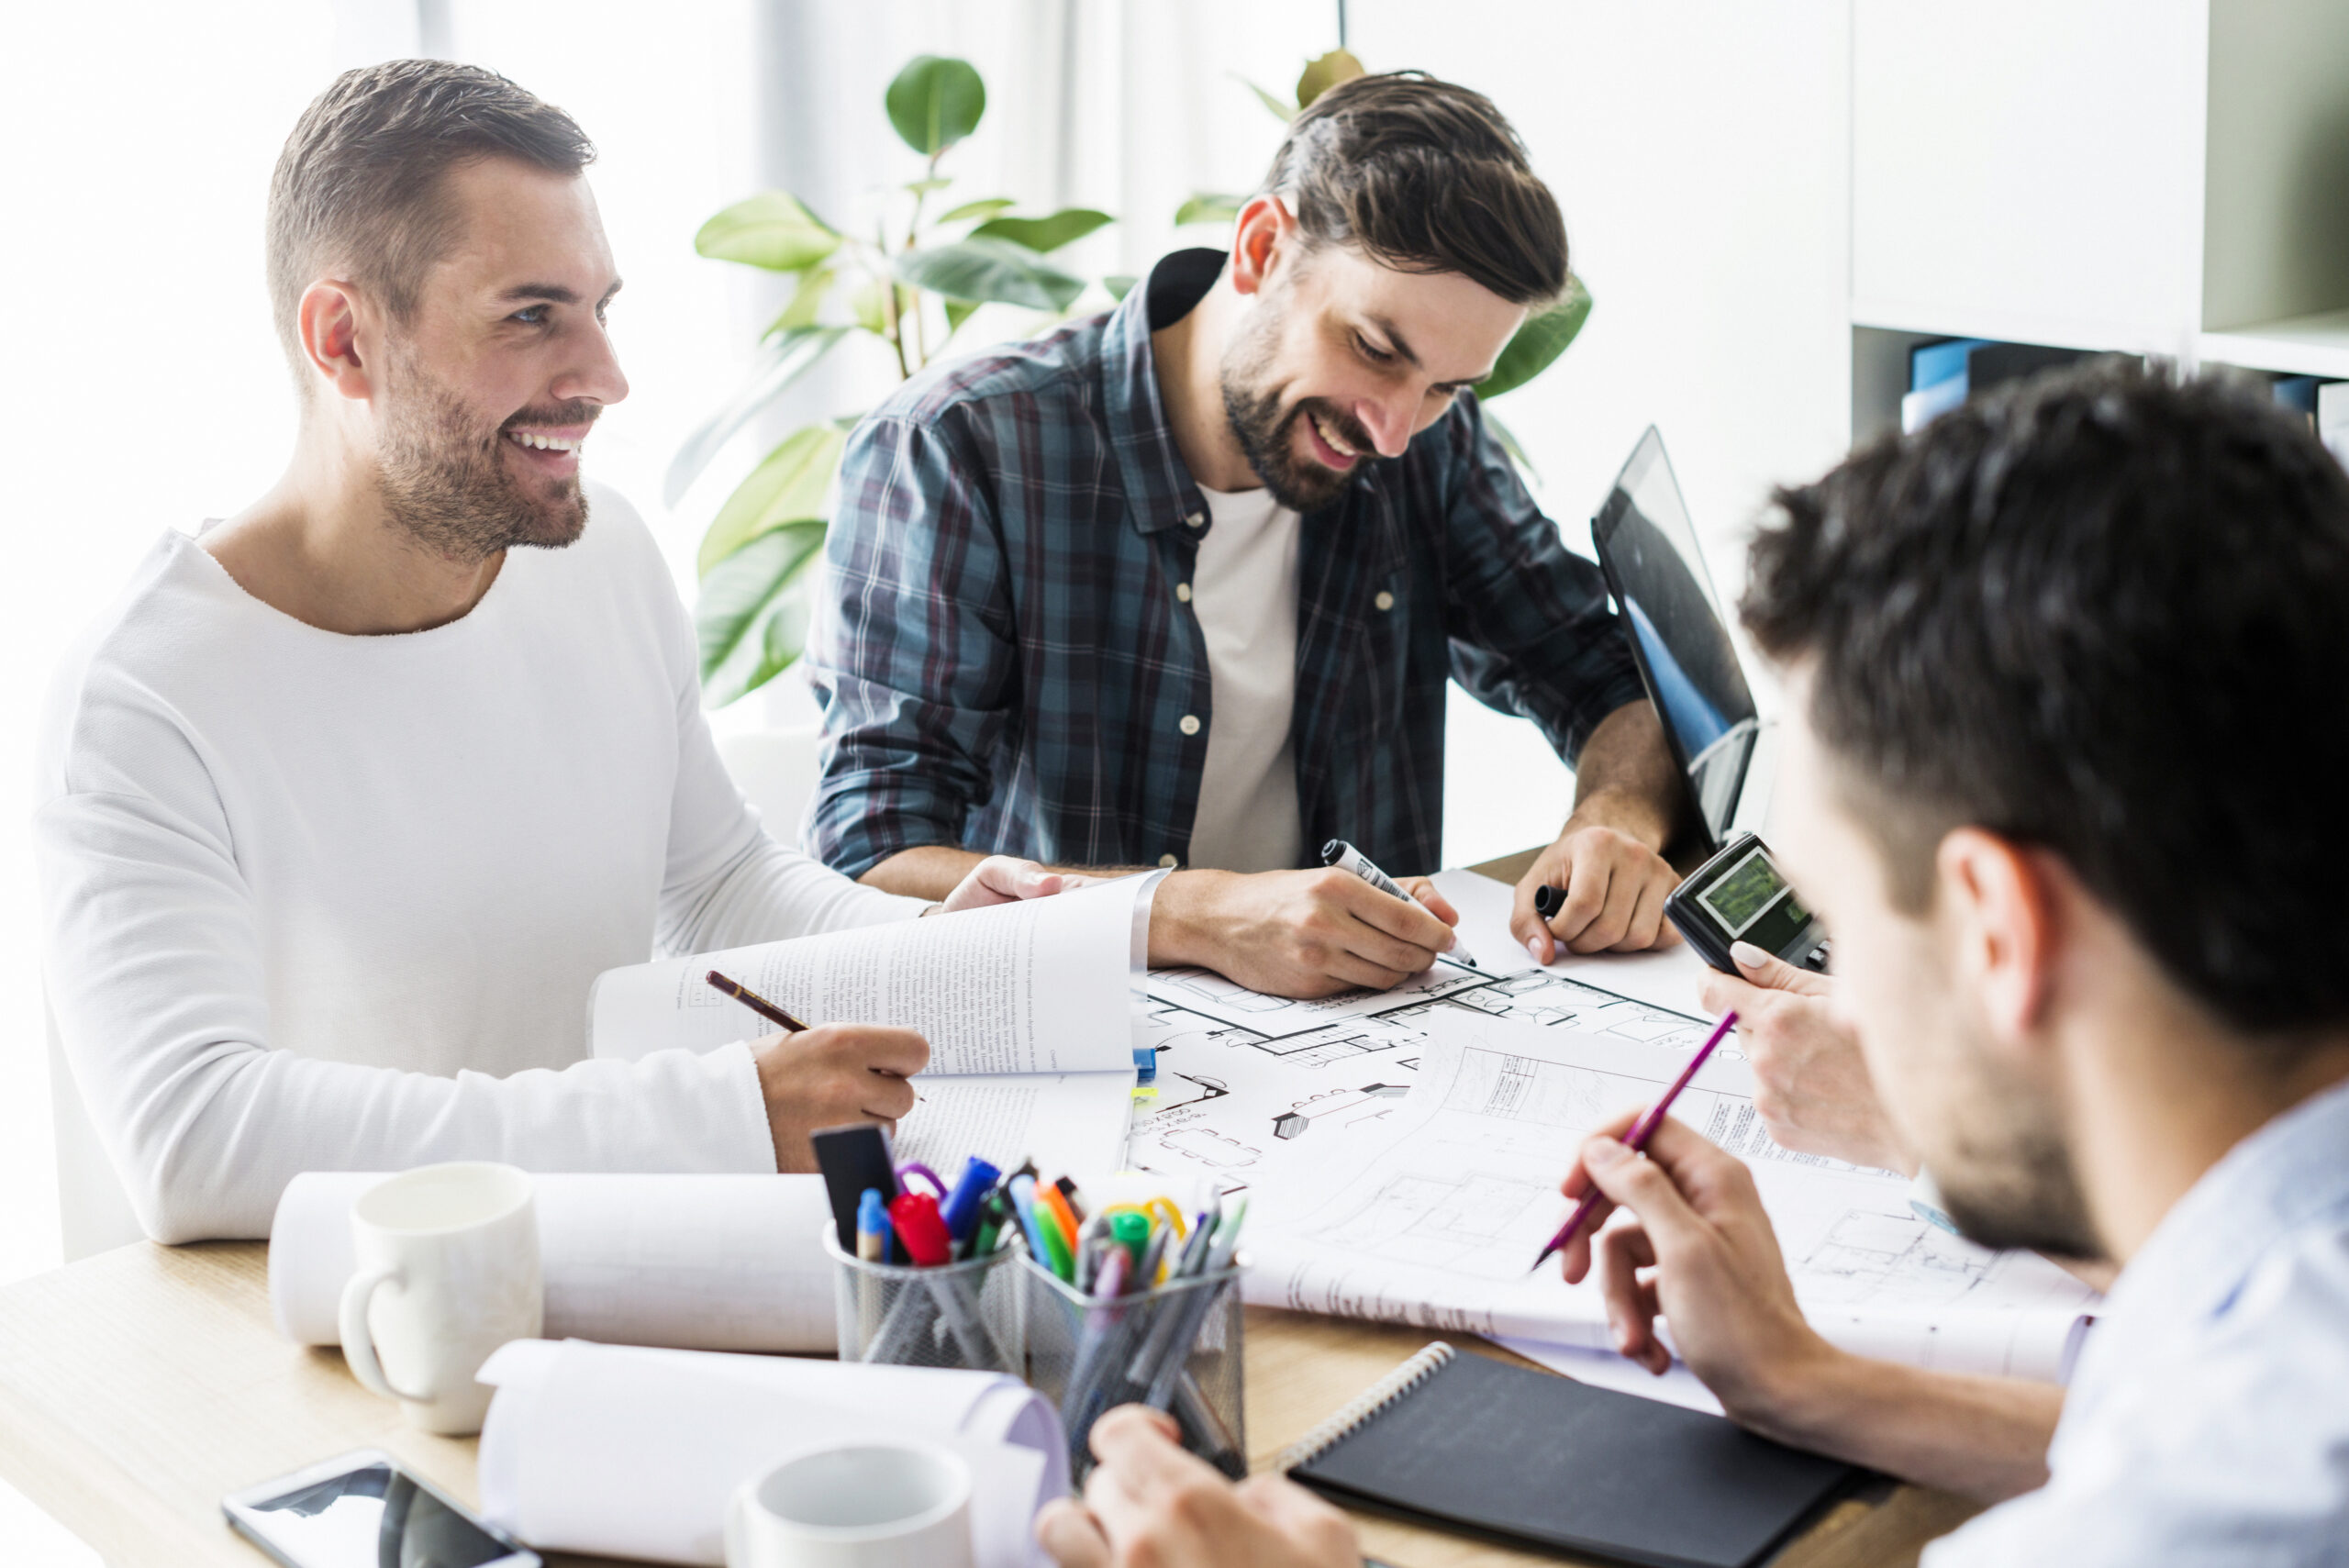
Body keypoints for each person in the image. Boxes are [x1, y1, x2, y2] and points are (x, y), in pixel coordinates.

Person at [1037, 363, 2349, 1565]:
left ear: (2004, 934)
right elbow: (2160, 1401)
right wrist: (1807, 1380)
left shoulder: (2212, 1512)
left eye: (1845, 926)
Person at [33, 61, 1062, 1245]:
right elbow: (196, 1136)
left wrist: (939, 948)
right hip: (348, 1333)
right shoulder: (144, 696)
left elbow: (717, 884)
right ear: (344, 339)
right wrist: (711, 1118)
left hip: (617, 1267)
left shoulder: (603, 552)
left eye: (599, 308)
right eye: (532, 316)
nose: (607, 380)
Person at [807, 72, 1688, 1000]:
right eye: (1375, 349)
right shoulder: (960, 446)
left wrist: (1618, 819)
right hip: (1075, 1049)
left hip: (1369, 1057)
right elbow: (868, 857)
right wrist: (1195, 914)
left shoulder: (1423, 449)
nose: (1390, 429)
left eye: (1443, 389)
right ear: (1262, 247)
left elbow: (1608, 672)